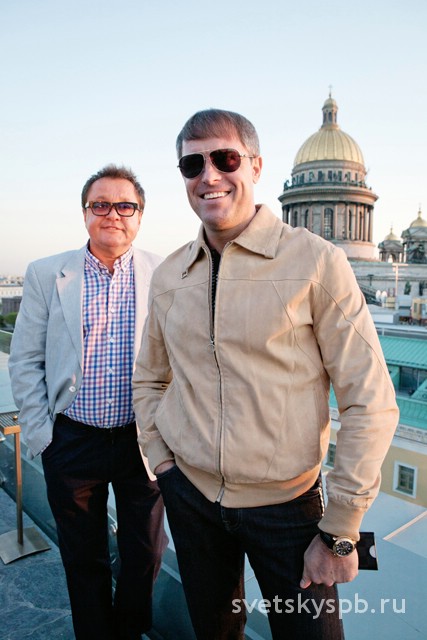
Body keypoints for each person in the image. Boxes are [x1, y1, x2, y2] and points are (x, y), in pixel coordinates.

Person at [132, 109, 399, 640]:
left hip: (289, 511)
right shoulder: (169, 274)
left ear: (254, 166)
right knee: (214, 632)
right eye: (192, 164)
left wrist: (341, 528)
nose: (209, 175)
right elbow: (150, 380)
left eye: (225, 159)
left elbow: (369, 400)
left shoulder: (317, 262)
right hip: (191, 497)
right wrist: (163, 462)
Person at [9, 164, 167, 640]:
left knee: (146, 554)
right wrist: (43, 435)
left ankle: (129, 632)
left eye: (125, 206)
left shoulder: (167, 274)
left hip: (143, 442)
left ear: (139, 216)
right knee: (83, 557)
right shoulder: (46, 273)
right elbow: (25, 359)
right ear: (85, 214)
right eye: (100, 204)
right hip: (72, 442)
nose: (112, 214)